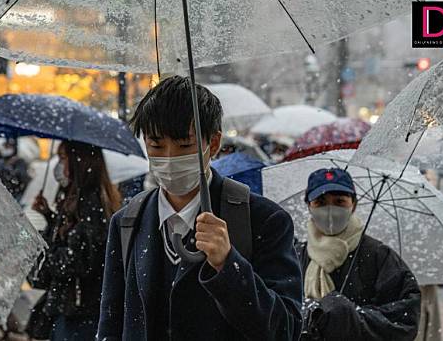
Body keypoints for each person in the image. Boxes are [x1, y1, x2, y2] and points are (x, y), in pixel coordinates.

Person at [97, 75, 303, 341]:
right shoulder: (127, 222)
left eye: (185, 145)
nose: (169, 158)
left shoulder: (263, 220)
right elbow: (111, 324)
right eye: (156, 145)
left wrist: (229, 266)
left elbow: (285, 330)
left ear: (213, 144)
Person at [296, 168, 421, 341]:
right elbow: (279, 311)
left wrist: (350, 317)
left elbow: (404, 320)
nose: (330, 210)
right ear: (309, 206)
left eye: (339, 201)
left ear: (353, 204)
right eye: (320, 202)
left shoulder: (379, 256)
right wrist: (308, 317)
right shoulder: (295, 256)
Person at [29, 140, 121, 341]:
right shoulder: (75, 199)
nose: (58, 166)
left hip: (79, 311)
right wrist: (49, 216)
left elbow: (76, 260)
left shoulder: (89, 204)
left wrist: (44, 250)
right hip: (72, 308)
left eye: (63, 158)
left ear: (80, 162)